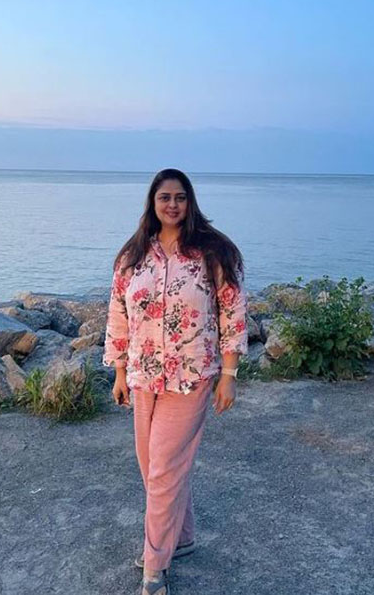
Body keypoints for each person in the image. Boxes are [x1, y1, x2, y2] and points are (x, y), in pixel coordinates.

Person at [102, 167, 249, 595]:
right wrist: (119, 372)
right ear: (152, 202)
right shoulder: (133, 255)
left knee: (164, 471)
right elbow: (118, 314)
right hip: (144, 376)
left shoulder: (213, 251)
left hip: (192, 376)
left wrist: (229, 375)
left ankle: (154, 567)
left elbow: (233, 313)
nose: (172, 204)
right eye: (164, 197)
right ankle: (181, 538)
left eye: (180, 197)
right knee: (152, 469)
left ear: (190, 202)